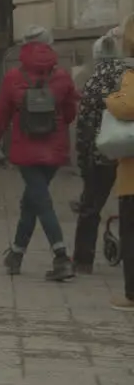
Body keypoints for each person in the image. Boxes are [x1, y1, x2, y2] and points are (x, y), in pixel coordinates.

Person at [0, 26, 80, 281]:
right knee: (32, 201)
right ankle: (16, 254)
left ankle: (61, 257)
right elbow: (71, 113)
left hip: (25, 150)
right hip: (54, 150)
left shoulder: (13, 77)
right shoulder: (61, 76)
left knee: (40, 201)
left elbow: (0, 117)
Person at [74, 27, 125, 273]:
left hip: (101, 154)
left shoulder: (93, 82)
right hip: (128, 153)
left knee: (90, 208)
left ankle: (83, 260)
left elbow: (84, 127)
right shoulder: (128, 75)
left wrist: (83, 162)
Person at [98, 16, 134, 310]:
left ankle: (131, 294)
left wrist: (110, 100)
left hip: (132, 174)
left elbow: (128, 105)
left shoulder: (131, 73)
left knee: (131, 232)